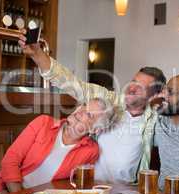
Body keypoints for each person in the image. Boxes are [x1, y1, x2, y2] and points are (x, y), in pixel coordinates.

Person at [18, 35, 166, 183]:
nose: (132, 88)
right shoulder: (109, 101)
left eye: (141, 87)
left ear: (153, 96)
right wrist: (37, 54)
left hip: (125, 191)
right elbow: (72, 83)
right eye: (134, 81)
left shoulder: (154, 121)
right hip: (87, 186)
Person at [0, 98, 115, 193]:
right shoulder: (43, 123)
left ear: (95, 130)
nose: (81, 110)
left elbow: (75, 186)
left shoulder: (91, 150)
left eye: (89, 115)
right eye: (84, 105)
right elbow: (10, 160)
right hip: (9, 191)